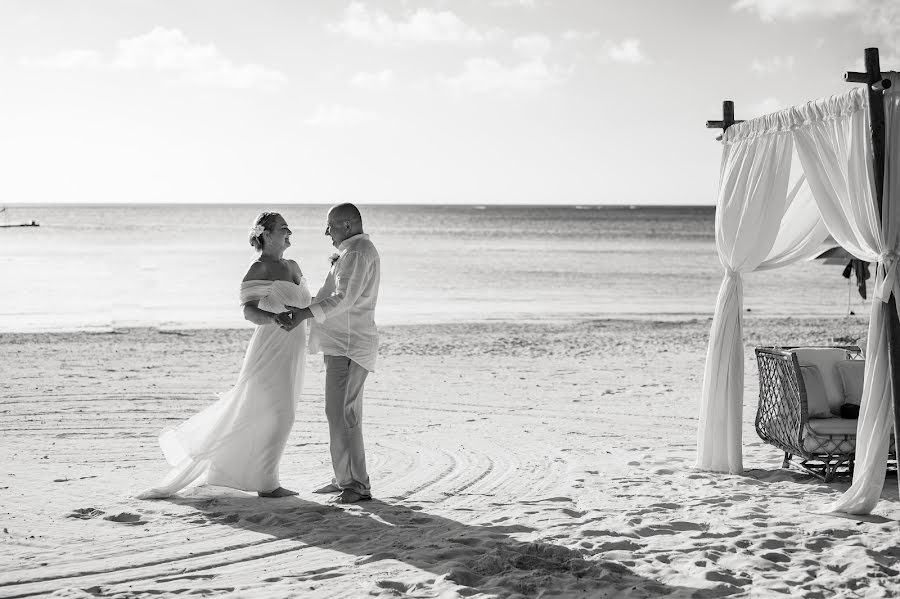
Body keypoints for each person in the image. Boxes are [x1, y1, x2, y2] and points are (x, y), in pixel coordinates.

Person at [137, 212, 311, 499]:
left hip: (295, 350)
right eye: (283, 228)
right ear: (266, 234)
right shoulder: (259, 268)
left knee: (271, 413)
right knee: (280, 415)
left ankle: (223, 472)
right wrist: (274, 318)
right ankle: (268, 484)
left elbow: (307, 303)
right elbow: (248, 310)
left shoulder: (293, 265)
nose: (289, 231)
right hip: (270, 348)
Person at [285, 203, 380, 504]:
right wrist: (304, 305)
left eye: (331, 226)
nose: (327, 232)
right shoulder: (354, 251)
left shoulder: (355, 253)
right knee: (337, 413)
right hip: (340, 343)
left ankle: (357, 485)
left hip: (350, 345)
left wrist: (304, 314)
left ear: (348, 226)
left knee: (345, 414)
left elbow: (344, 299)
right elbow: (335, 295)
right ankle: (344, 478)